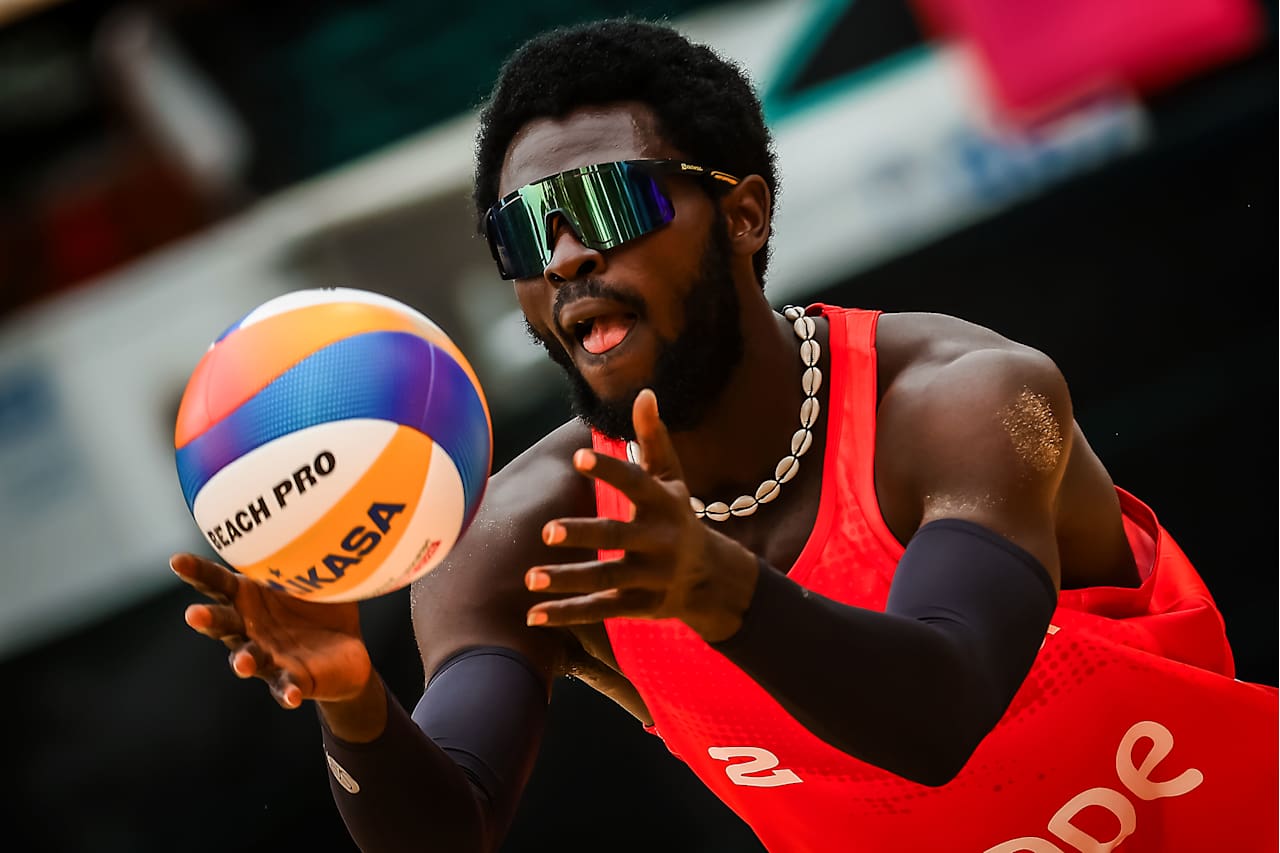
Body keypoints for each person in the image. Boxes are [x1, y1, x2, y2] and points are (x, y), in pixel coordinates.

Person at [171, 17, 1279, 853]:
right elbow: (446, 830)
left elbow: (940, 717)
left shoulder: (967, 401)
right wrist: (351, 700)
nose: (567, 257)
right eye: (525, 234)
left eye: (610, 206)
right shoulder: (515, 539)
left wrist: (720, 591)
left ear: (743, 213)